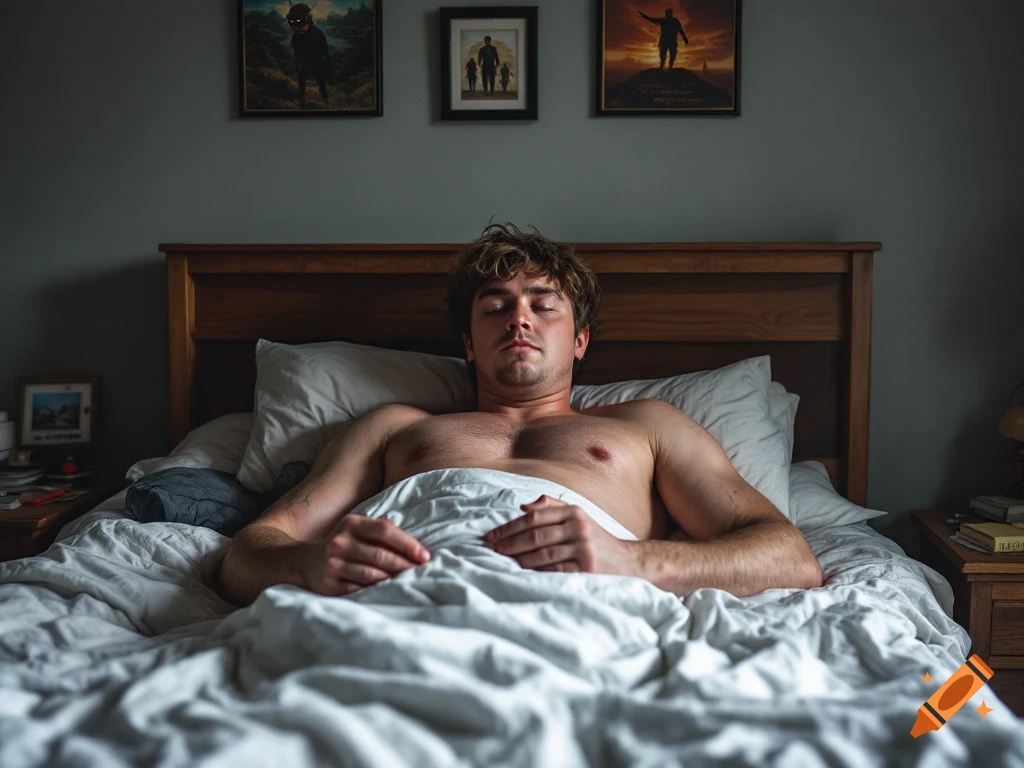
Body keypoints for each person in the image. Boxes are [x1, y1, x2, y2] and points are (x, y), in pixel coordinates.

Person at [218, 224, 824, 606]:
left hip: (578, 608)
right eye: (496, 305)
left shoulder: (647, 426)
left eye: (544, 304)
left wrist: (629, 560)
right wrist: (307, 562)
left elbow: (788, 557)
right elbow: (252, 548)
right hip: (399, 602)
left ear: (580, 341)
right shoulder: (393, 427)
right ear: (468, 343)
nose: (519, 319)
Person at [287, 3, 331, 106]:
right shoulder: (297, 35)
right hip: (305, 60)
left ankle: (325, 100)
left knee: (321, 81)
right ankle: (301, 98)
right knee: (301, 77)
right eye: (293, 23)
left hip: (318, 60)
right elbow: (296, 48)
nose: (297, 28)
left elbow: (323, 51)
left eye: (299, 23)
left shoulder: (317, 33)